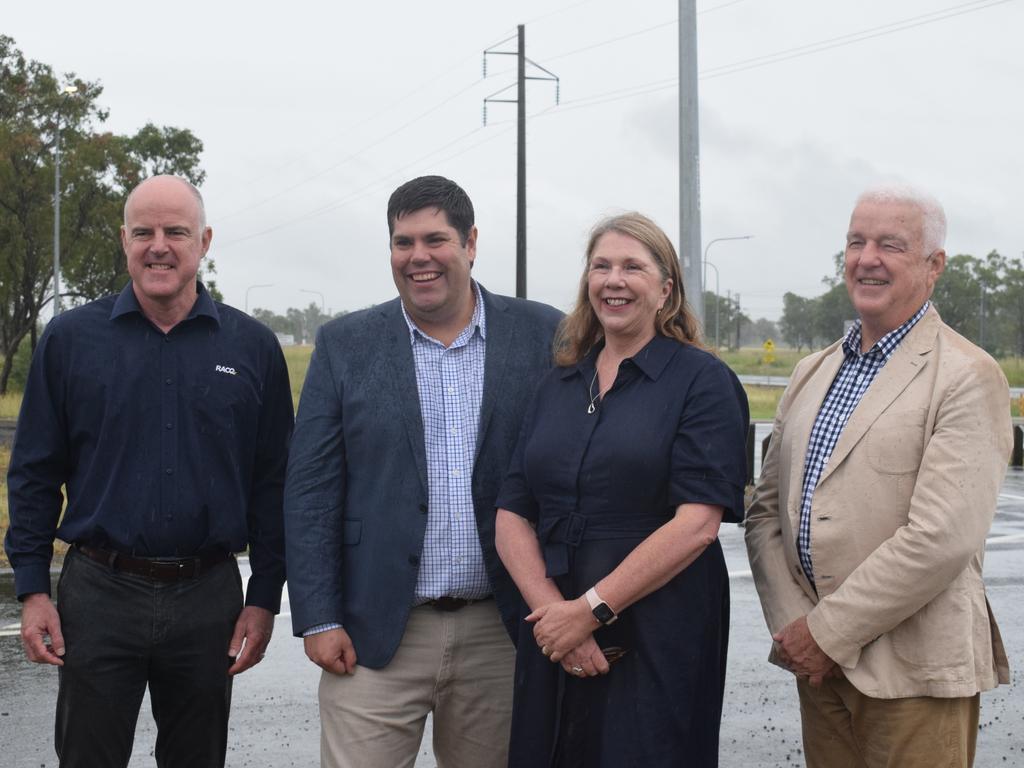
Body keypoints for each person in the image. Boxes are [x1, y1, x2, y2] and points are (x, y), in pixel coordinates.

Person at [4, 175, 294, 767]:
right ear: (125, 240)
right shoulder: (68, 341)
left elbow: (274, 483)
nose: (158, 245)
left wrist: (264, 596)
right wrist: (33, 588)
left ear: (204, 241)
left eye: (176, 232)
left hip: (208, 595)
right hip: (98, 593)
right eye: (144, 232)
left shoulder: (253, 348)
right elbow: (34, 473)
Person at [283, 175, 562, 768]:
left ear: (471, 243)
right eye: (402, 242)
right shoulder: (345, 344)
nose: (418, 258)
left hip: (504, 628)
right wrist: (319, 617)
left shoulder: (544, 335)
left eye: (435, 239)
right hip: (372, 633)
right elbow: (310, 490)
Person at [745, 183, 1011, 767]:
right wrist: (796, 628)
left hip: (913, 672)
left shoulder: (968, 376)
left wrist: (826, 633)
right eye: (856, 242)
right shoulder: (812, 372)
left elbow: (941, 538)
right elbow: (765, 512)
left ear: (933, 264)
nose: (868, 258)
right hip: (818, 669)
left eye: (891, 244)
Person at [494, 212, 749, 767]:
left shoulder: (702, 382)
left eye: (633, 267)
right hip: (553, 626)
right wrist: (554, 616)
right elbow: (512, 512)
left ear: (665, 289)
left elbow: (698, 524)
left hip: (659, 624)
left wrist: (591, 611)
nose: (615, 280)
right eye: (601, 266)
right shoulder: (559, 382)